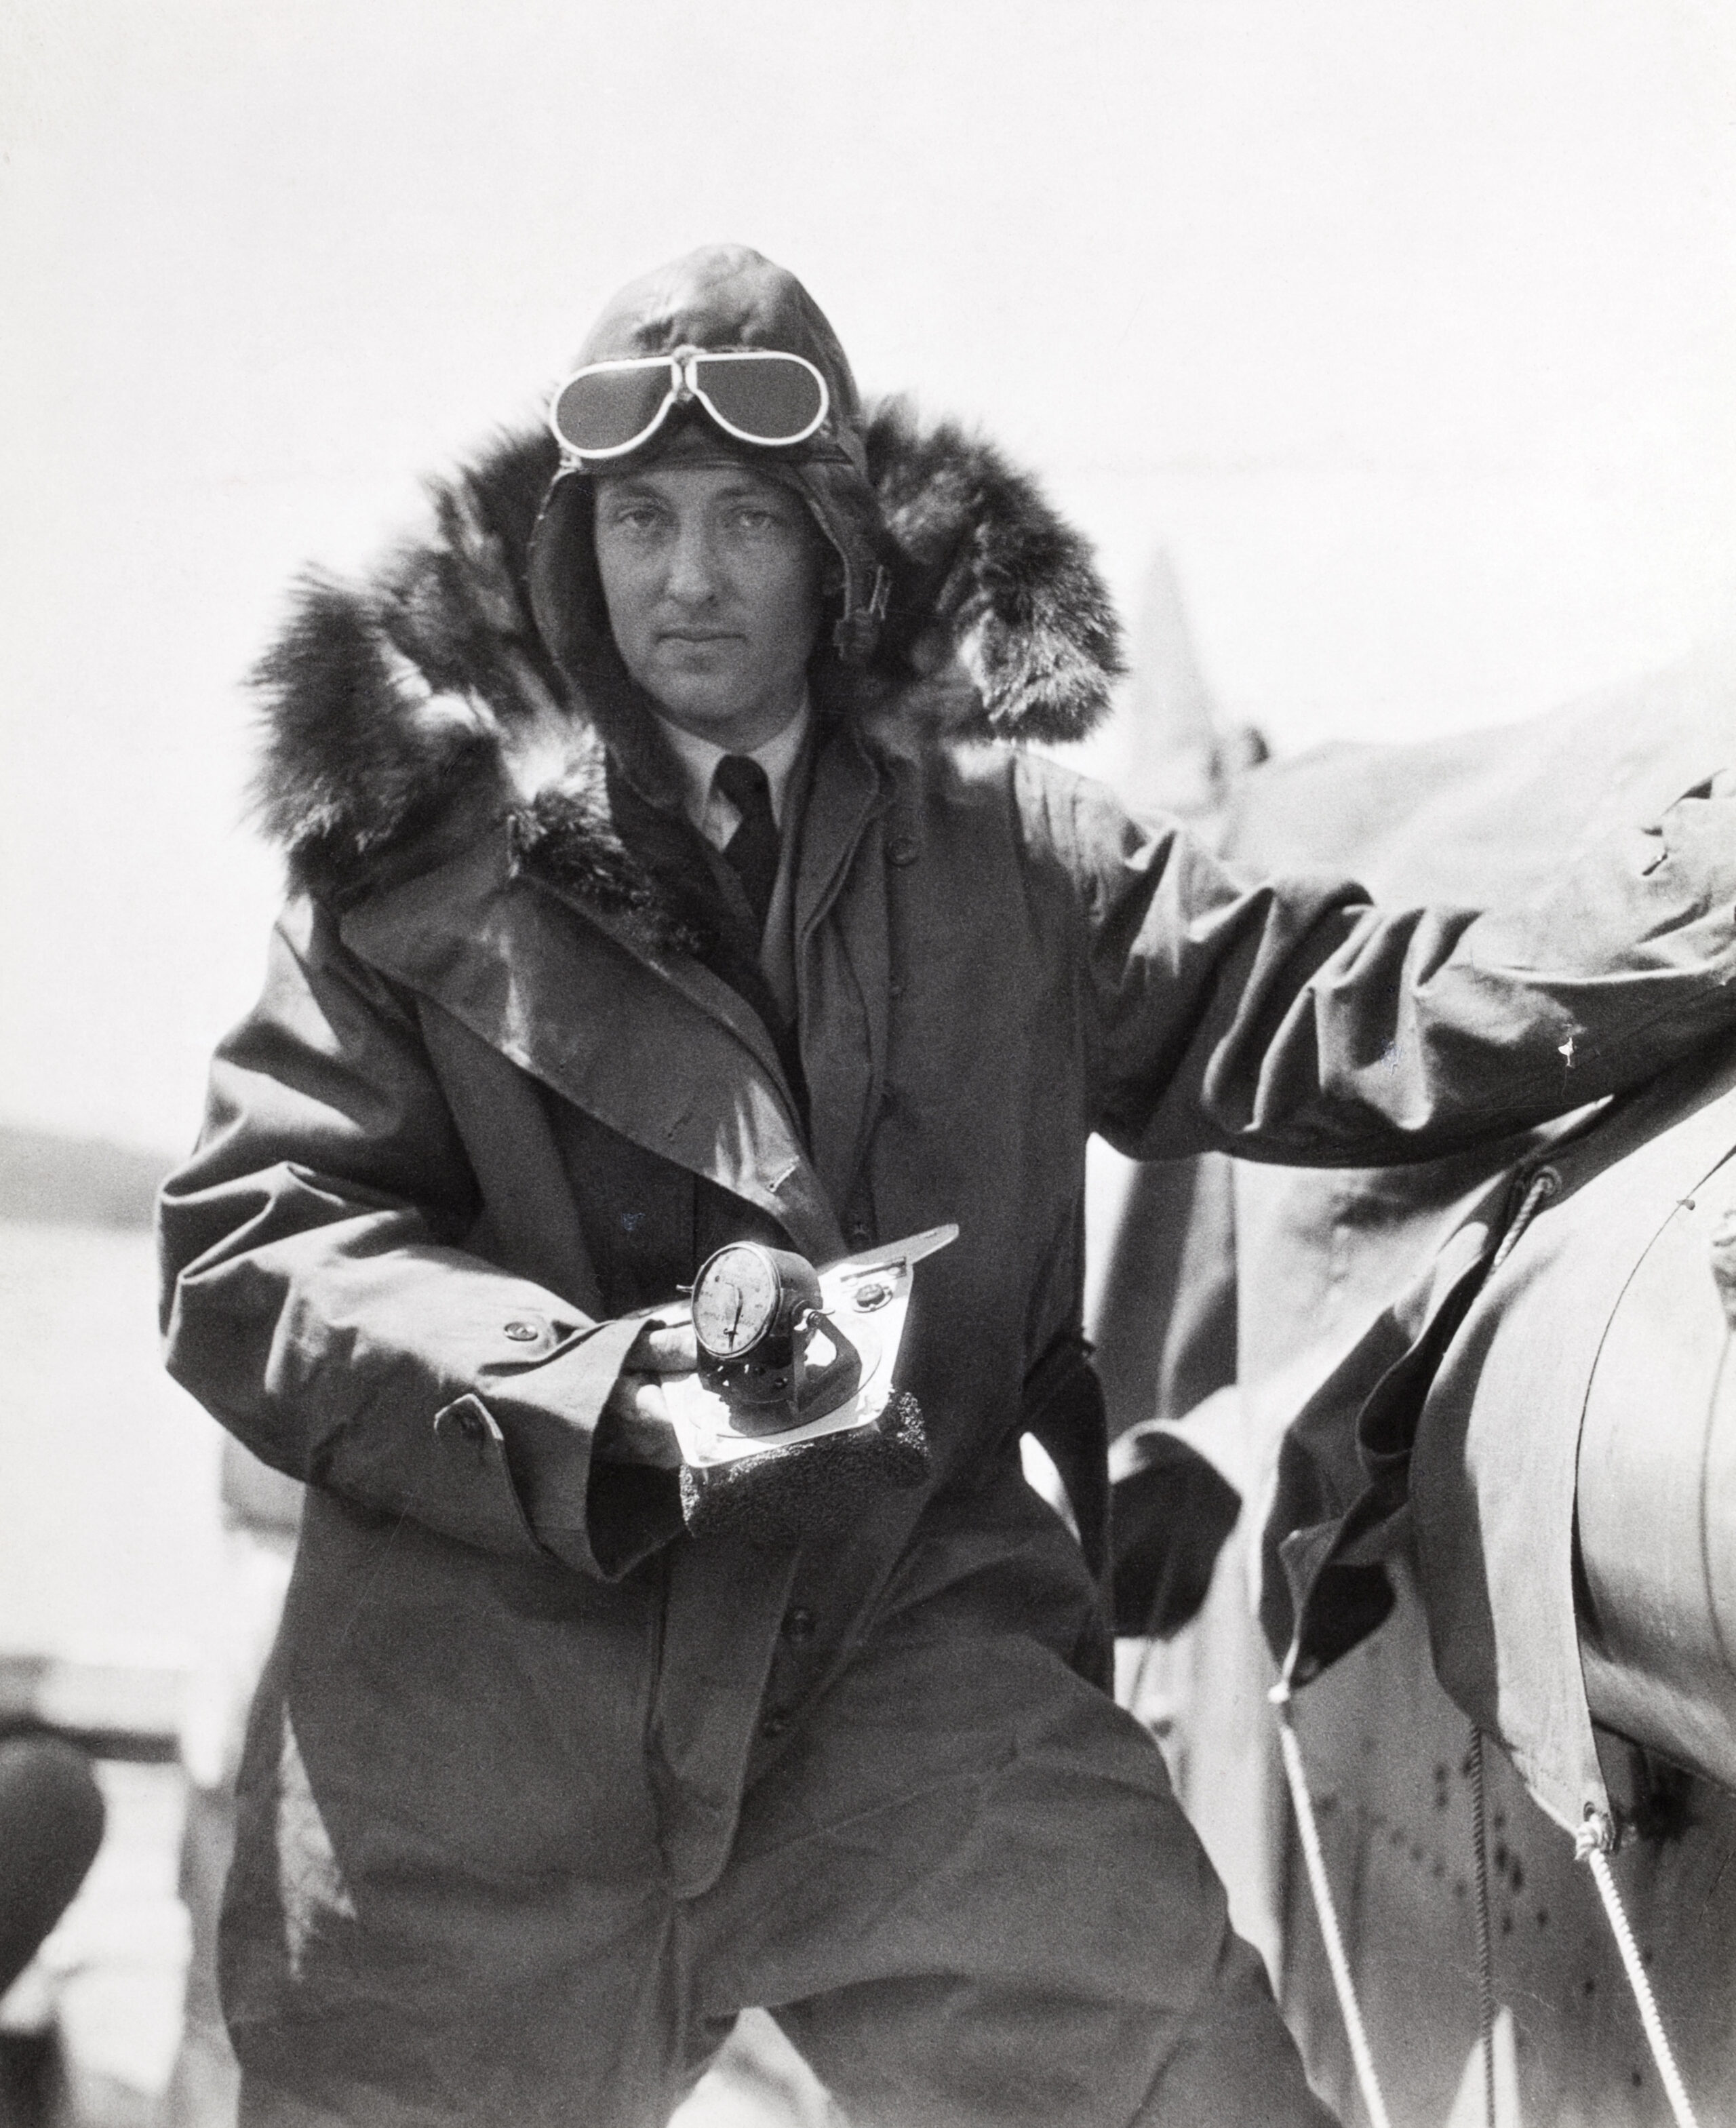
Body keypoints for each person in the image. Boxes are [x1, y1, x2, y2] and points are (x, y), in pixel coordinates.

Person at [157, 244, 1736, 2128]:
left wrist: (1688, 918)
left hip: (905, 1675)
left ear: (834, 545)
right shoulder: (422, 873)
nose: (688, 578)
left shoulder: (1014, 853)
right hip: (490, 1729)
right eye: (642, 518)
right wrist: (606, 1395)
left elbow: (1334, 999)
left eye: (747, 517)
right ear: (578, 544)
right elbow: (257, 1244)